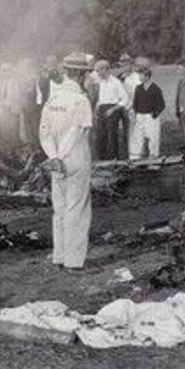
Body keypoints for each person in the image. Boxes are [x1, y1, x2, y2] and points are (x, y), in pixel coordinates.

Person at [39, 52, 94, 271]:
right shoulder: (80, 100)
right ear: (81, 75)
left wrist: (53, 156)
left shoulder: (53, 99)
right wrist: (61, 156)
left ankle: (60, 257)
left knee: (60, 208)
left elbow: (44, 131)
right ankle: (74, 261)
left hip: (55, 159)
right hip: (74, 157)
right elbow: (76, 131)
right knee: (77, 208)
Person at [90, 59, 129, 160]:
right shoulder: (101, 82)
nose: (97, 74)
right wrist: (97, 108)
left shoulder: (116, 82)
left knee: (112, 136)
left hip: (113, 110)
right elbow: (101, 98)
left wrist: (113, 109)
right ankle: (102, 160)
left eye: (98, 71)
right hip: (102, 110)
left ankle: (113, 159)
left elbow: (125, 99)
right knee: (101, 135)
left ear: (105, 69)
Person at [128, 66, 164, 159]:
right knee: (137, 136)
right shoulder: (138, 88)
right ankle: (135, 156)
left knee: (153, 137)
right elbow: (135, 102)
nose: (139, 77)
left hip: (151, 116)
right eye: (138, 75)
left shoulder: (155, 89)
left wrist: (154, 114)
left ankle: (153, 156)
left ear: (147, 76)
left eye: (141, 75)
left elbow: (161, 104)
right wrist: (135, 113)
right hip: (140, 115)